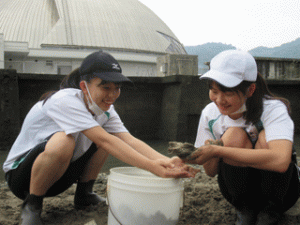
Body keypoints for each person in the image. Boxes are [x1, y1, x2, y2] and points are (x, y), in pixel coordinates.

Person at [3, 51, 197, 225]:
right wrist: (152, 168)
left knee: (108, 137)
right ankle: (32, 207)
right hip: (22, 179)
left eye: (117, 87)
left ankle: (84, 195)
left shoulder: (105, 110)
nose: (112, 95)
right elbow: (105, 141)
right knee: (65, 140)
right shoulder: (64, 100)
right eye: (105, 87)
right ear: (84, 86)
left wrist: (167, 161)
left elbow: (128, 140)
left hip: (58, 177)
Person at [186, 50, 300, 225]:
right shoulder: (210, 114)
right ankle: (245, 210)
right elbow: (210, 172)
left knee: (263, 138)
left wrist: (218, 149)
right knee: (233, 135)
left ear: (250, 89)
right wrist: (206, 152)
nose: (219, 100)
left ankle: (270, 212)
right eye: (213, 91)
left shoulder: (273, 109)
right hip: (237, 193)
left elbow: (280, 161)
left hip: (282, 194)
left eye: (228, 93)